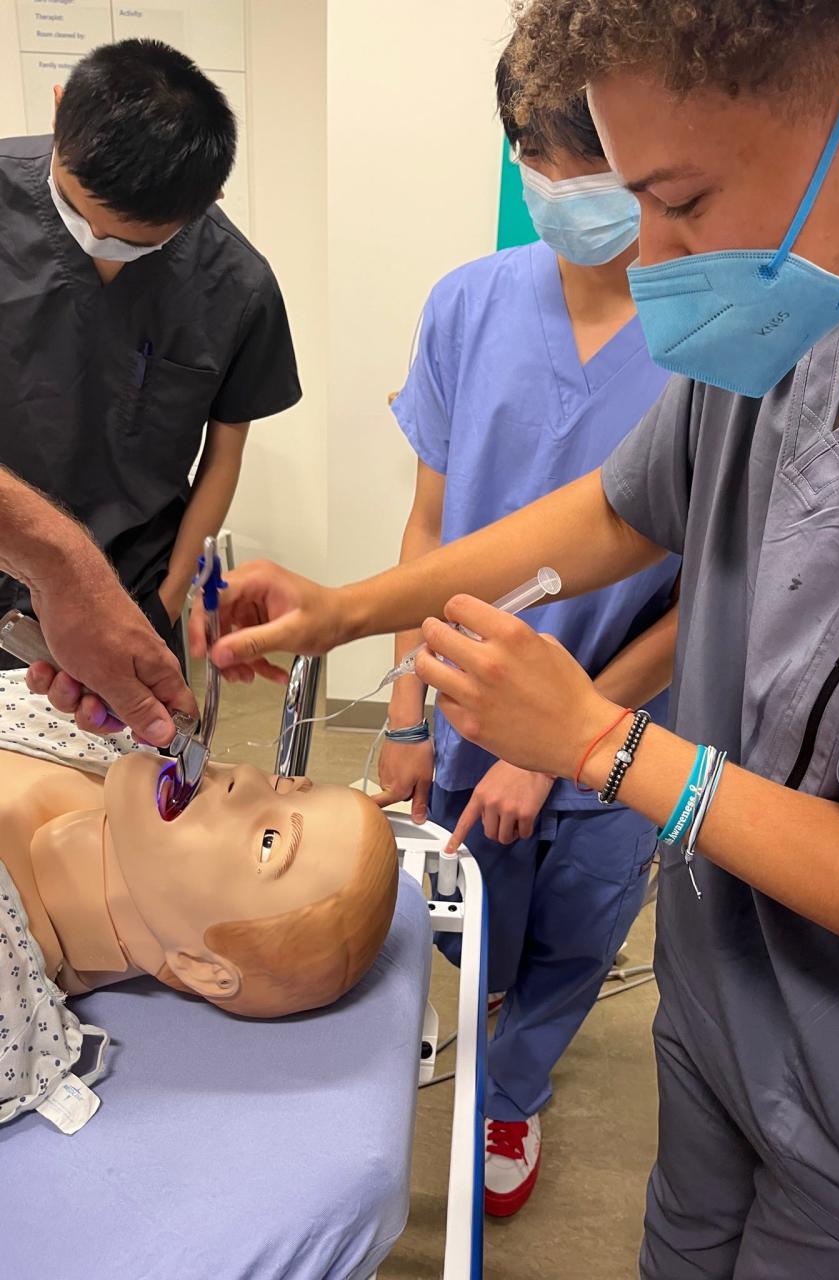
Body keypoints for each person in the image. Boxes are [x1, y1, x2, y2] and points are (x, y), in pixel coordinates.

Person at [86, 7, 839, 1276]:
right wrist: (346, 611)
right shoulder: (789, 334)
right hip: (720, 1029)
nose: (654, 260)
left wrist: (601, 746)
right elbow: (612, 509)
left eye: (684, 199)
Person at [376, 45, 679, 1217]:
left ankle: (517, 1080)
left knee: (581, 924)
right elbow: (430, 522)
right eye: (537, 168)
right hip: (461, 699)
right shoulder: (470, 302)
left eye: (589, 174)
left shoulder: (711, 333)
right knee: (473, 915)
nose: (564, 198)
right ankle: (493, 1014)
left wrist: (558, 740)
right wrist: (407, 705)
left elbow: (706, 585)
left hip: (625, 716)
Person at [0, 38, 301, 671]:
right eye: (83, 217)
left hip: (128, 599)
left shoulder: (239, 287)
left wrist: (165, 605)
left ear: (206, 200)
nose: (100, 244)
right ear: (60, 113)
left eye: (133, 241)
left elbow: (222, 458)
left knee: (131, 764)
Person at [0, 671, 398, 1127]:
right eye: (283, 785)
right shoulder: (102, 734)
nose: (245, 777)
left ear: (203, 968)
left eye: (269, 842)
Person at [4, 465, 197, 746]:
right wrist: (66, 573)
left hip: (145, 579)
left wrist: (168, 602)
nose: (245, 774)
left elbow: (223, 461)